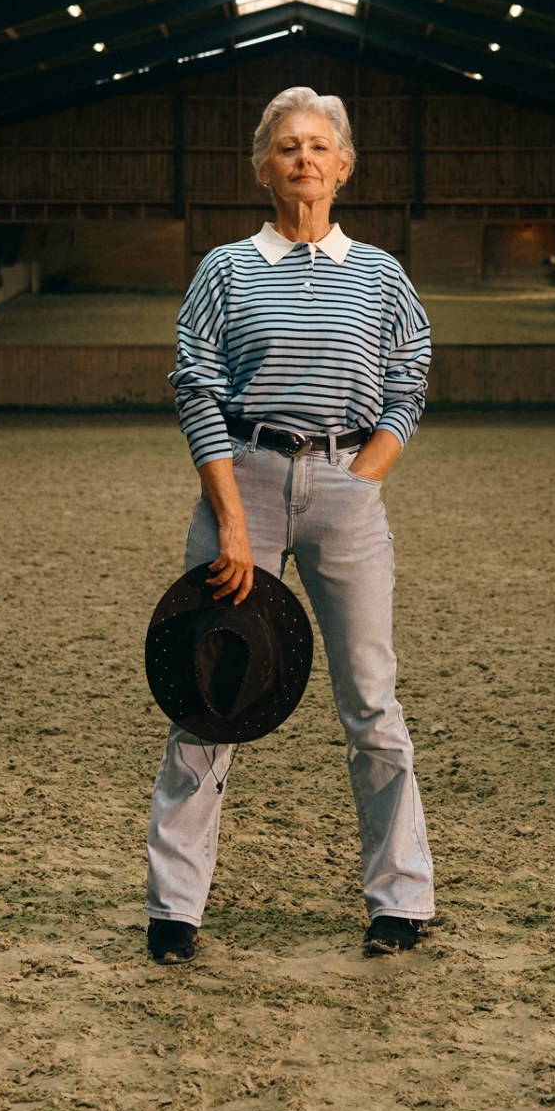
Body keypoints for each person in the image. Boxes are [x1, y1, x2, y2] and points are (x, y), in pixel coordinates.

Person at [146, 86, 436, 963]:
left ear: (343, 168)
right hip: (247, 481)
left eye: (319, 147)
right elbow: (195, 387)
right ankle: (174, 910)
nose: (304, 159)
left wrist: (363, 476)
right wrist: (231, 520)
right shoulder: (225, 271)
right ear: (263, 169)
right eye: (288, 148)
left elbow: (409, 377)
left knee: (371, 700)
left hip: (346, 488)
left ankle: (400, 899)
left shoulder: (382, 274)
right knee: (208, 695)